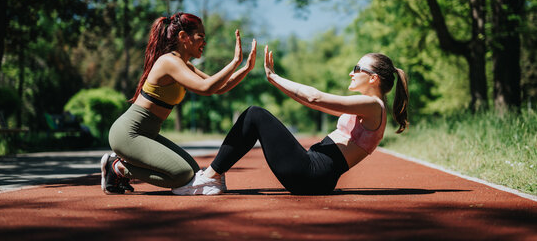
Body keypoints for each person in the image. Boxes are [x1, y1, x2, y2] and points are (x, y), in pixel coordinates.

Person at [172, 45, 409, 195]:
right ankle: (214, 176)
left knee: (254, 114)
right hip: (316, 174)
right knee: (256, 115)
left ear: (374, 79)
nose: (351, 72)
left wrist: (275, 78)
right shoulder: (367, 108)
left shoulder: (371, 106)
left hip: (312, 172)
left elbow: (315, 97)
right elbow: (311, 101)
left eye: (357, 68)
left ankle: (211, 178)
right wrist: (276, 82)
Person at [101, 12, 257, 194]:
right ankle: (118, 167)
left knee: (192, 171)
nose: (204, 43)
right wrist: (235, 62)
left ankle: (120, 167)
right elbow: (206, 88)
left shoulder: (184, 65)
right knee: (181, 175)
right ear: (183, 37)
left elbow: (219, 87)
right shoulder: (169, 61)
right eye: (201, 37)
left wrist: (245, 68)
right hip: (128, 133)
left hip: (147, 134)